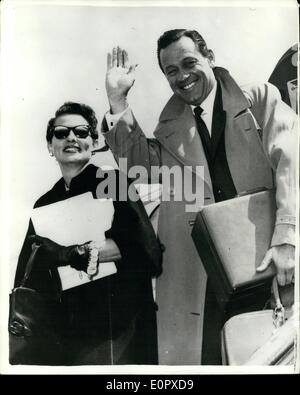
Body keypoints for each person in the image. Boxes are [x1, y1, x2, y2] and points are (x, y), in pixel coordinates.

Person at [102, 30, 296, 365]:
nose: (182, 76)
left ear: (210, 57)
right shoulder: (168, 129)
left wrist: (288, 238)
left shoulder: (260, 99)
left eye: (189, 62)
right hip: (206, 278)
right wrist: (118, 102)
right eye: (171, 71)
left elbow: (292, 163)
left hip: (270, 262)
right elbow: (140, 169)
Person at [13, 102, 162, 365]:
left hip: (118, 327)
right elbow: (27, 275)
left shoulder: (113, 182)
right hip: (66, 329)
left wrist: (70, 253)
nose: (71, 137)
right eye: (61, 133)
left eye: (81, 132)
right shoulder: (43, 204)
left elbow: (145, 250)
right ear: (50, 146)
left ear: (94, 143)